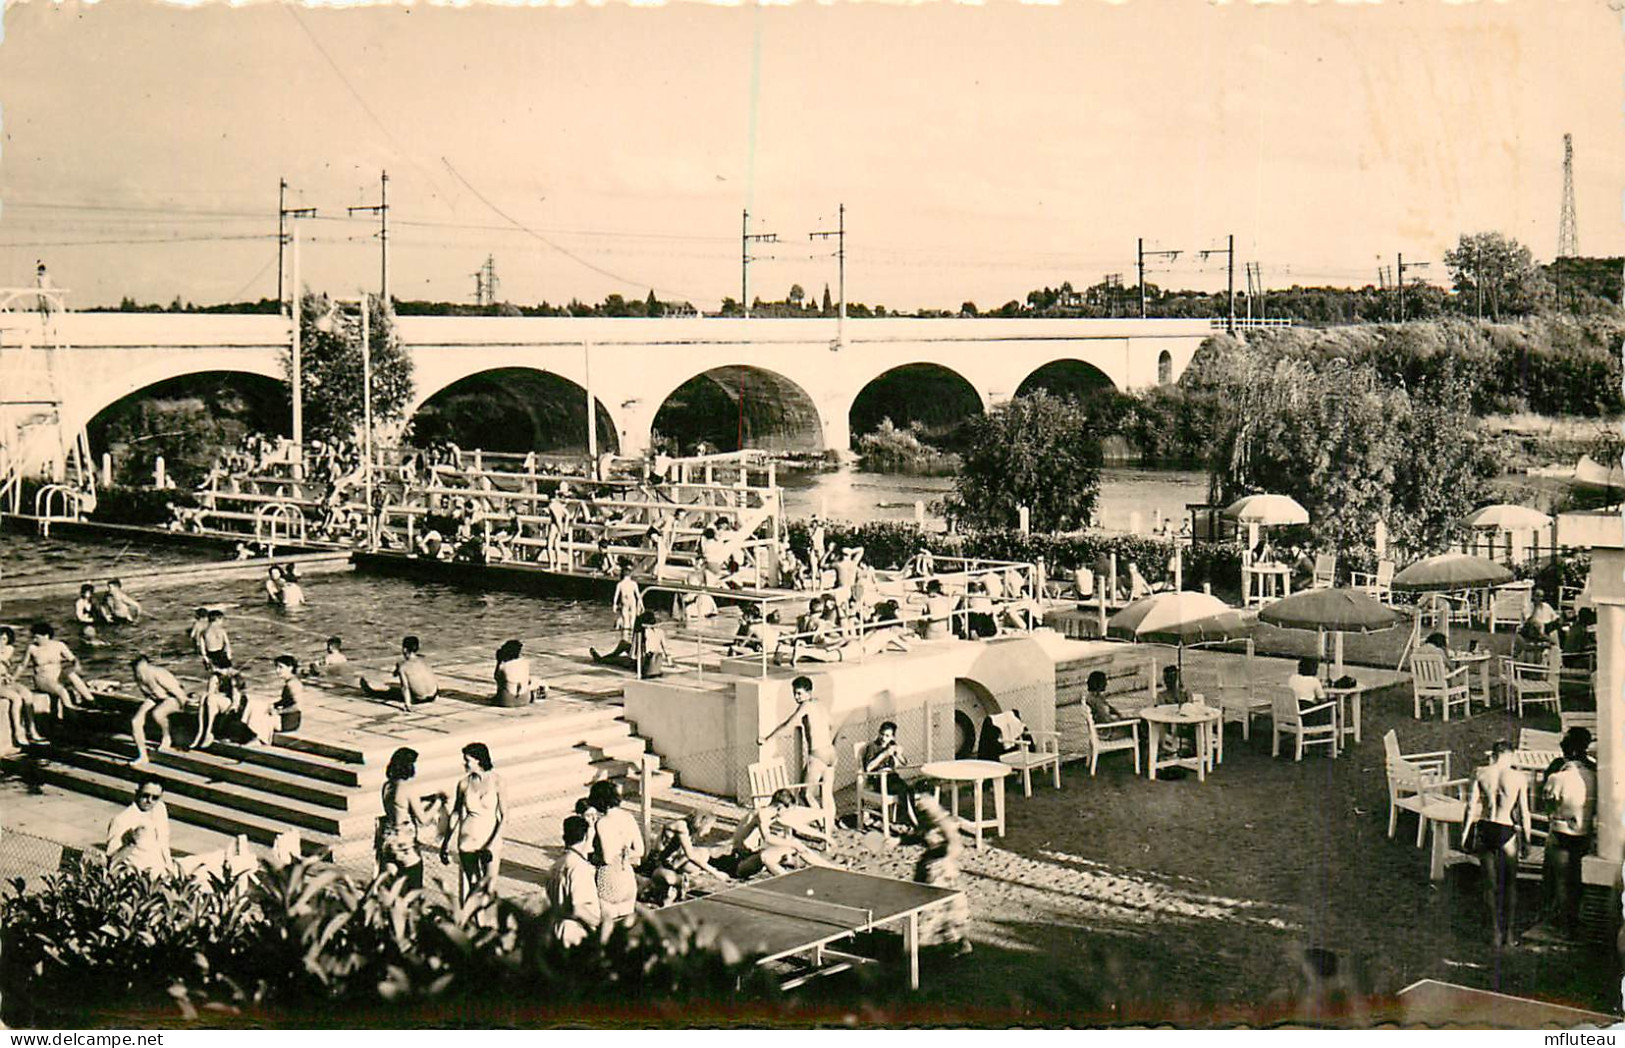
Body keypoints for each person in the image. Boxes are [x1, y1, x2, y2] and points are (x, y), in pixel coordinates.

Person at [1461, 740, 1533, 948]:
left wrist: (1465, 834)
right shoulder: (1519, 777)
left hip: (1485, 828)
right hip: (1506, 829)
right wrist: (1527, 840)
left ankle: (1494, 932)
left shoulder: (1480, 773)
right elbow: (1524, 812)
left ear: (1493, 755)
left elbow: (1470, 807)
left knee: (1489, 885)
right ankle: (1509, 934)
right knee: (1510, 885)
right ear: (1510, 755)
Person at [1540, 728, 1597, 940]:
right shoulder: (1594, 772)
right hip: (1585, 831)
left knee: (1561, 880)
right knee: (1577, 878)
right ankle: (1575, 918)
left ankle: (1564, 925)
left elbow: (1547, 803)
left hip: (1562, 830)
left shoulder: (1558, 774)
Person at [760, 676, 837, 824]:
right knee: (827, 794)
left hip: (818, 754)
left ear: (808, 692)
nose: (796, 697)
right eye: (794, 693)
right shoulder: (820, 704)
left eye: (799, 693)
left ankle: (823, 824)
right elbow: (831, 725)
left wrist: (767, 738)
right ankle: (830, 824)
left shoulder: (806, 706)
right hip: (831, 753)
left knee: (806, 794)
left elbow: (788, 724)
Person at [719, 789, 839, 878]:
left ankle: (831, 869)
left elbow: (798, 825)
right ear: (780, 807)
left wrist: (825, 837)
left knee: (796, 844)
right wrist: (792, 844)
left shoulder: (774, 813)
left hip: (754, 854)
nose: (788, 813)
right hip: (741, 862)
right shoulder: (762, 814)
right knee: (768, 856)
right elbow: (767, 838)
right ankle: (789, 882)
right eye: (788, 810)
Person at [441, 742, 505, 910]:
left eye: (468, 760)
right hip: (468, 839)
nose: (465, 764)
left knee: (489, 886)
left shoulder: (497, 781)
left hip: (491, 839)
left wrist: (492, 843)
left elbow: (504, 815)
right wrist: (446, 841)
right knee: (474, 885)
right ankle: (475, 922)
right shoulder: (463, 784)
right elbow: (456, 813)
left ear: (479, 760)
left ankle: (487, 922)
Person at [913, 794, 972, 956]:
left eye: (922, 806)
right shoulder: (925, 821)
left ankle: (958, 943)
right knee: (932, 908)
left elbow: (956, 846)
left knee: (947, 909)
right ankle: (931, 943)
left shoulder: (944, 823)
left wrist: (944, 858)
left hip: (942, 873)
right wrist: (897, 841)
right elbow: (917, 836)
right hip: (928, 869)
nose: (919, 808)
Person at [587, 780, 644, 930]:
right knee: (626, 927)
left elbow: (607, 857)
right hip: (627, 876)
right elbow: (640, 850)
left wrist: (593, 857)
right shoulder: (629, 817)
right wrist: (625, 854)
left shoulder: (603, 823)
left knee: (607, 926)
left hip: (609, 877)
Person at [642, 811, 728, 906]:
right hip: (657, 863)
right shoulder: (681, 827)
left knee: (703, 853)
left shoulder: (687, 827)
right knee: (669, 878)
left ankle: (681, 880)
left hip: (671, 862)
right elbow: (690, 855)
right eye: (709, 827)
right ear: (702, 823)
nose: (708, 831)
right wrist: (715, 872)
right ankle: (683, 881)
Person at [376, 747, 432, 890]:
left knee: (392, 888)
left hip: (388, 840)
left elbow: (398, 806)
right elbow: (423, 819)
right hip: (405, 844)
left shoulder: (387, 786)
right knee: (414, 886)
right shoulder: (408, 788)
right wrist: (438, 802)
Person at [548, 815, 602, 946]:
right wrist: (601, 924)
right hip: (577, 932)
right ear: (585, 837)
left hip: (557, 927)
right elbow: (578, 908)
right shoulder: (578, 867)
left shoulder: (556, 865)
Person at [105, 775, 173, 877]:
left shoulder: (160, 808)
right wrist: (130, 844)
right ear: (137, 793)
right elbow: (112, 861)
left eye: (155, 797)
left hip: (163, 871)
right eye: (145, 795)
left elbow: (164, 844)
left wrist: (170, 870)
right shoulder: (122, 819)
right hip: (140, 877)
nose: (149, 801)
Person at [24, 622, 95, 717]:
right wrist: (13, 678)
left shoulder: (59, 645)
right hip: (42, 679)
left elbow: (73, 659)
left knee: (72, 676)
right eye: (34, 637)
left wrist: (76, 666)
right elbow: (22, 665)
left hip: (57, 676)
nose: (35, 640)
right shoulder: (32, 648)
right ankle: (72, 714)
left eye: (37, 637)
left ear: (46, 636)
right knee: (62, 691)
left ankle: (91, 701)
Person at [129, 654, 189, 763]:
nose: (139, 673)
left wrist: (184, 707)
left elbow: (178, 692)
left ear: (145, 664)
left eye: (140, 669)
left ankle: (167, 737)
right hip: (154, 698)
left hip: (171, 697)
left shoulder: (158, 673)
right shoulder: (137, 675)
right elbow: (147, 694)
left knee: (158, 713)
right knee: (135, 721)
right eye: (136, 669)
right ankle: (142, 755)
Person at [860, 721, 918, 830]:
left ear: (892, 737)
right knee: (902, 790)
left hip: (892, 778)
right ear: (878, 733)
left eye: (887, 736)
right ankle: (910, 821)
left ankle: (908, 819)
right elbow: (868, 768)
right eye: (882, 734)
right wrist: (884, 754)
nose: (883, 737)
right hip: (878, 780)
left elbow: (904, 762)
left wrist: (898, 753)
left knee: (910, 789)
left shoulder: (891, 746)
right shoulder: (872, 747)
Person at [361, 636, 439, 710]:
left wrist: (407, 704)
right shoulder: (424, 660)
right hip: (433, 695)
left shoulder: (403, 667)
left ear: (404, 649)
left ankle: (371, 691)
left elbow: (405, 687)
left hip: (420, 699)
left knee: (391, 692)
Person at [0, 627, 47, 747]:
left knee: (27, 695)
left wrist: (10, 677)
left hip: (5, 679)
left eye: (4, 639)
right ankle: (18, 732)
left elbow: (4, 658)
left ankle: (32, 730)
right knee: (16, 698)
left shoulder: (9, 649)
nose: (1, 641)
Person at [591, 566, 643, 665]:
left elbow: (617, 596)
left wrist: (615, 604)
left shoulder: (622, 584)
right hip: (631, 602)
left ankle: (602, 659)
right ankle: (629, 632)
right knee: (630, 621)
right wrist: (641, 604)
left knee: (627, 621)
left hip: (627, 602)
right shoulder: (630, 584)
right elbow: (638, 595)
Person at [493, 639, 533, 706]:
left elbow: (497, 679)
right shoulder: (525, 662)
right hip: (525, 699)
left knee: (503, 681)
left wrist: (499, 661)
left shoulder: (503, 666)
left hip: (506, 701)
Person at [272, 655, 304, 732]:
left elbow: (297, 706)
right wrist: (274, 705)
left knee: (256, 719)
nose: (277, 670)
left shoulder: (293, 684)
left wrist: (278, 711)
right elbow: (287, 701)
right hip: (289, 720)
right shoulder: (291, 682)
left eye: (281, 667)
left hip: (288, 723)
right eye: (276, 667)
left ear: (290, 668)